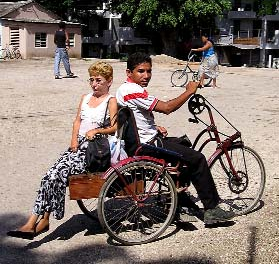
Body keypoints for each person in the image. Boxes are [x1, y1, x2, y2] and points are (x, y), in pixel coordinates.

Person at [116, 52, 235, 225]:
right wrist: (189, 91)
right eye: (141, 71)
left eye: (149, 71)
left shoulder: (123, 90)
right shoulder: (133, 91)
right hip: (147, 144)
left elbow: (134, 117)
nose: (146, 76)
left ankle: (180, 200)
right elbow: (166, 108)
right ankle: (212, 210)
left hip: (141, 139)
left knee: (183, 144)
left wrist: (153, 127)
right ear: (129, 73)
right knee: (198, 158)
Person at [7, 61, 117, 240]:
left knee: (55, 175)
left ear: (109, 81)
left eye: (99, 80)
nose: (94, 84)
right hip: (77, 146)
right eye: (92, 80)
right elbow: (77, 121)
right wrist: (73, 139)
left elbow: (115, 128)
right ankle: (39, 220)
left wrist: (97, 130)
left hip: (93, 150)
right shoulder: (85, 97)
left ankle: (37, 221)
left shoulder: (110, 101)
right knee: (50, 176)